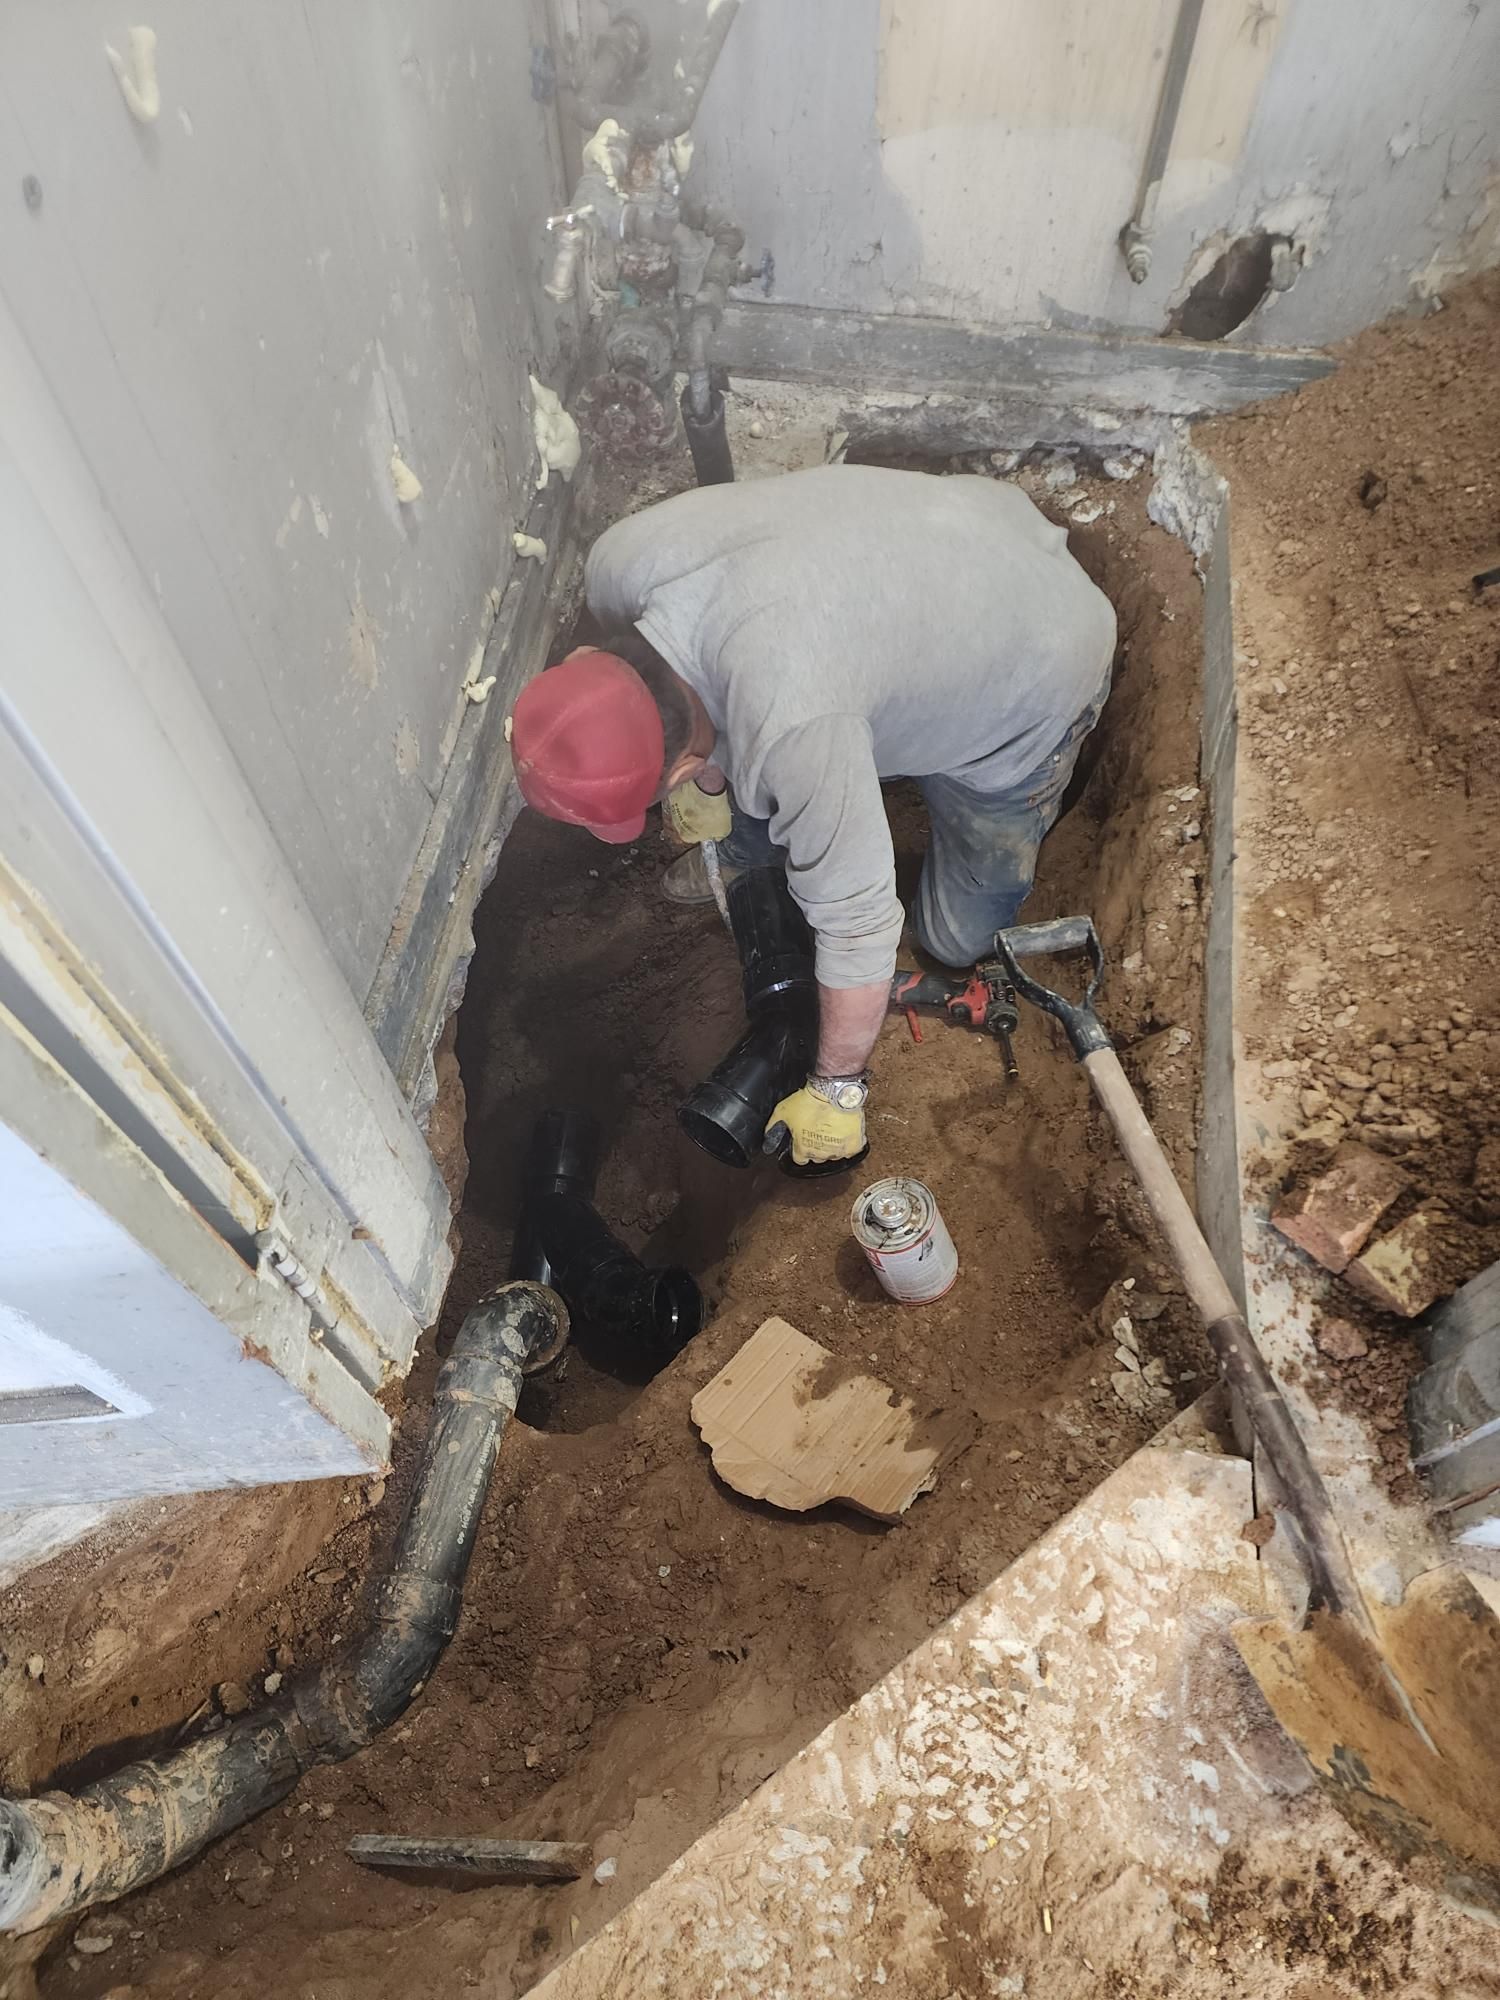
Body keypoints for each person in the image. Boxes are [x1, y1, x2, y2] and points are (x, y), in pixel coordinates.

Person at [509, 464, 1116, 1168]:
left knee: (954, 940)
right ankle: (861, 741)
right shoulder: (622, 559)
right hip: (961, 533)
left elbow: (860, 928)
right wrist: (713, 779)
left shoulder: (794, 724)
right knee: (779, 773)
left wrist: (837, 1090)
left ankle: (1016, 779)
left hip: (1037, 666)